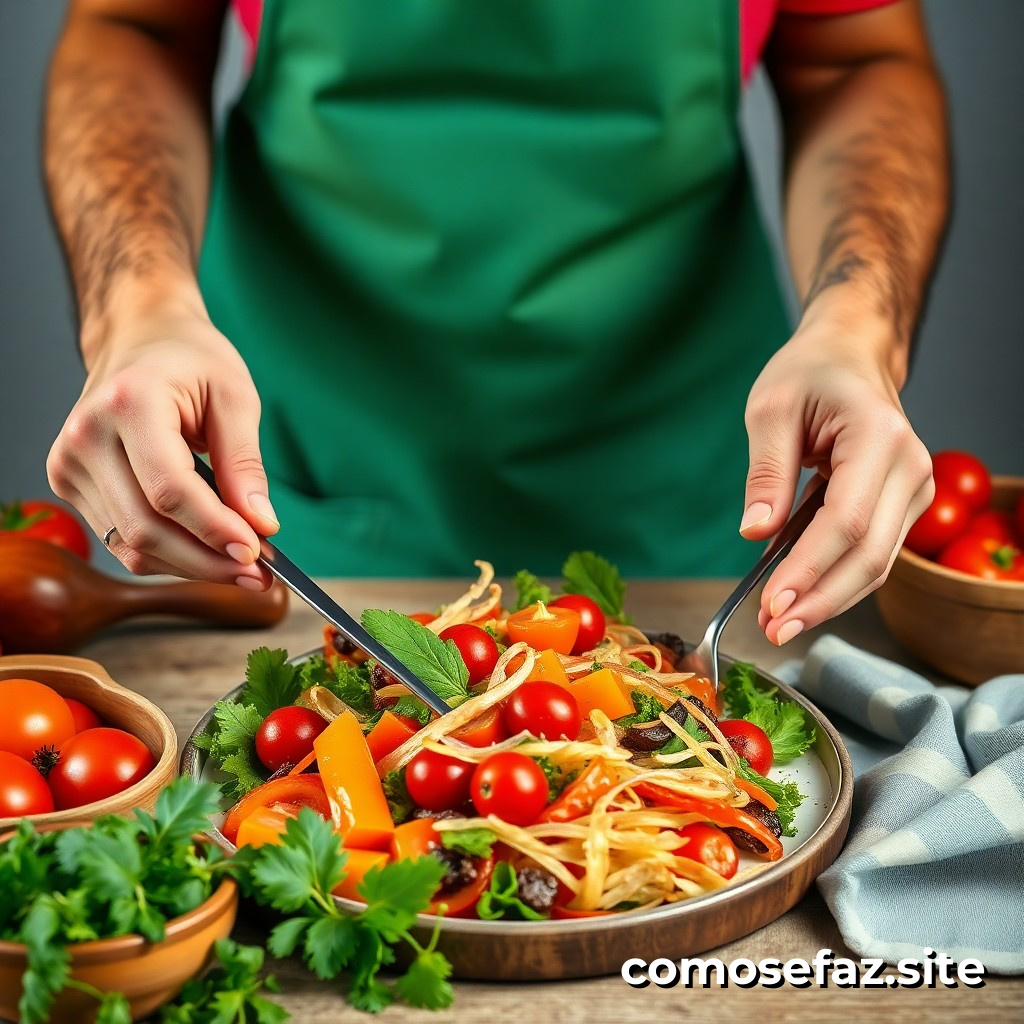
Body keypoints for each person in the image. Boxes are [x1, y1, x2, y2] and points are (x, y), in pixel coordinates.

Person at [44, 0, 947, 646]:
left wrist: (860, 324)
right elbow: (139, 24)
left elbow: (854, 54)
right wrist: (138, 306)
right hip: (307, 440)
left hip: (690, 466)